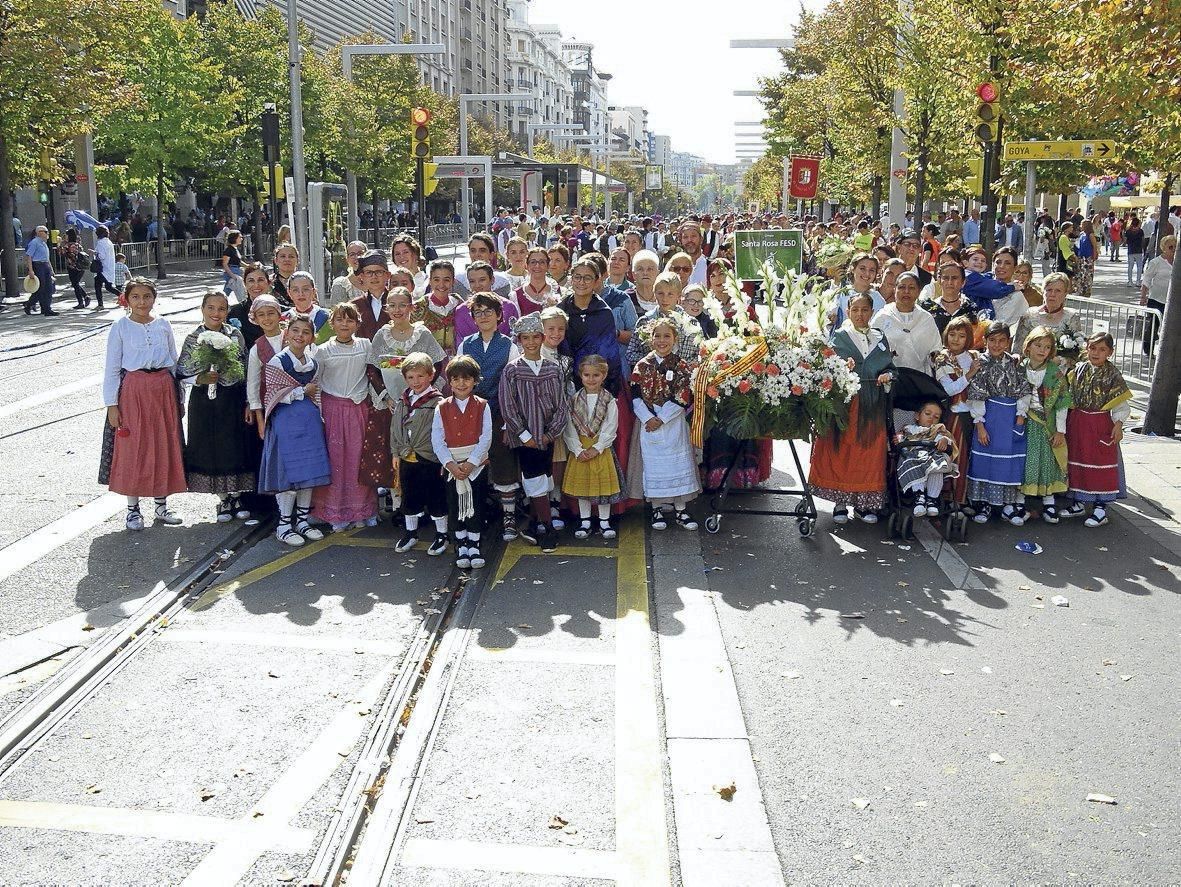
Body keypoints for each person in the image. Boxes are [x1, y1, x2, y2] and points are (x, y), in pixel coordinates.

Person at [99, 278, 186, 530]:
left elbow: (173, 362)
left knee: (162, 443)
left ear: (154, 298)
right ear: (127, 299)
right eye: (135, 297)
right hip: (134, 391)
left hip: (162, 389)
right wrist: (112, 404)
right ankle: (133, 510)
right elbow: (112, 368)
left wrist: (179, 397)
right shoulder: (120, 327)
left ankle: (161, 505)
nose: (141, 302)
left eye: (146, 296)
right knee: (133, 448)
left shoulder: (163, 324)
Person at [807, 292, 897, 525]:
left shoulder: (880, 338)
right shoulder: (839, 337)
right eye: (855, 310)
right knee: (843, 452)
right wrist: (841, 369)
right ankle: (839, 503)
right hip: (846, 406)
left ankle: (863, 504)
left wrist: (888, 375)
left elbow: (891, 368)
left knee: (868, 455)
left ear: (872, 312)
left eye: (865, 310)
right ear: (848, 312)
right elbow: (826, 370)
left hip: (873, 406)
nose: (860, 314)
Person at [179, 291, 256, 521]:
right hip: (205, 402)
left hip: (232, 398)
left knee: (233, 445)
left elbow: (244, 366)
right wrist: (199, 378)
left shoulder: (235, 335)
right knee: (211, 447)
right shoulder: (194, 337)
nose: (216, 313)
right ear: (202, 309)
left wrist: (247, 400)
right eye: (211, 308)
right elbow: (182, 370)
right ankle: (223, 499)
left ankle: (236, 494)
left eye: (222, 309)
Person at [498, 312, 571, 552]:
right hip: (525, 438)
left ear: (542, 338)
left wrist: (552, 433)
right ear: (519, 340)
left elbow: (562, 405)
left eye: (535, 337)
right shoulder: (512, 370)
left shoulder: (553, 369)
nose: (530, 342)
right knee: (534, 479)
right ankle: (547, 530)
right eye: (525, 338)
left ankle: (531, 523)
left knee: (545, 478)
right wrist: (525, 436)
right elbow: (508, 405)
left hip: (548, 435)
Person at [257, 313, 331, 546]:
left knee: (308, 473)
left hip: (309, 423)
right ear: (287, 333)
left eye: (305, 332)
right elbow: (274, 393)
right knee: (288, 474)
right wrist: (302, 391)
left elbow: (316, 390)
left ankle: (302, 520)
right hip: (286, 422)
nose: (300, 336)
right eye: (295, 330)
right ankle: (284, 524)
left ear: (312, 337)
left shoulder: (314, 362)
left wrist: (310, 395)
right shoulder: (278, 361)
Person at [457, 293, 521, 540]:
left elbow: (513, 385)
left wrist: (508, 420)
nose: (483, 316)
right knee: (472, 463)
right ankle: (475, 515)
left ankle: (509, 517)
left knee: (503, 463)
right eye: (478, 312)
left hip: (498, 412)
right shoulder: (466, 344)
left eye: (488, 311)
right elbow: (460, 379)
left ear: (499, 315)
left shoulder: (509, 345)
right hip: (471, 413)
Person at [311, 302, 379, 531]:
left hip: (358, 409)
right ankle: (334, 511)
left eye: (350, 320)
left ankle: (361, 510)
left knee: (358, 459)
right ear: (332, 323)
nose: (344, 324)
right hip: (332, 411)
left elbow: (373, 374)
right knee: (336, 460)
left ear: (357, 324)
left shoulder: (366, 345)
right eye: (340, 319)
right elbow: (316, 382)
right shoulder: (322, 351)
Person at [630, 315, 701, 530]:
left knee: (678, 465)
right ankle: (657, 509)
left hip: (673, 423)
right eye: (657, 336)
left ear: (675, 338)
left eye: (667, 336)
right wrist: (648, 417)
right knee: (654, 467)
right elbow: (634, 395)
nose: (662, 340)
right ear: (650, 339)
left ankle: (681, 510)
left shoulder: (681, 366)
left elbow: (683, 396)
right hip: (648, 422)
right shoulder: (642, 366)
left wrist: (662, 418)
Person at [965, 321, 1033, 525]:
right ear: (985, 341)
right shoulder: (980, 363)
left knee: (1009, 460)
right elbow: (976, 396)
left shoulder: (1014, 363)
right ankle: (984, 504)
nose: (996, 345)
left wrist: (1020, 418)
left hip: (1010, 418)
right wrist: (980, 425)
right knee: (986, 460)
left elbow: (1024, 390)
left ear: (1008, 342)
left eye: (1002, 340)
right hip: (989, 418)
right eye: (992, 340)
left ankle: (1007, 505)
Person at [1061, 333, 1131, 528]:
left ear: (1110, 352)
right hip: (1078, 423)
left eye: (1102, 349)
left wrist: (1118, 424)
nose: (1096, 353)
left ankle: (1101, 508)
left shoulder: (1113, 375)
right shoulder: (1077, 370)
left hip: (1100, 424)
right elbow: (1069, 397)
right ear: (1086, 348)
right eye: (1093, 348)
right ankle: (1079, 502)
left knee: (1100, 465)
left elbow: (1121, 405)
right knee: (1077, 461)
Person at [432, 355, 492, 569]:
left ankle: (475, 543)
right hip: (452, 466)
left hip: (474, 465)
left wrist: (471, 463)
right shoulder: (442, 407)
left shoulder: (483, 406)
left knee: (475, 503)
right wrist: (450, 464)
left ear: (475, 380)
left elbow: (486, 437)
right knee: (455, 504)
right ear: (449, 382)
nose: (461, 383)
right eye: (456, 379)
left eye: (466, 379)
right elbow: (437, 439)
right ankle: (461, 543)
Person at [390, 352, 449, 557]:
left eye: (421, 376)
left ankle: (442, 534)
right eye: (411, 377)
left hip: (430, 458)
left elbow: (443, 432)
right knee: (410, 496)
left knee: (435, 497)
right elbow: (395, 428)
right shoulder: (402, 400)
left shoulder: (438, 402)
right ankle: (411, 532)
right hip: (407, 457)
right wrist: (396, 452)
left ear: (431, 375)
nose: (416, 381)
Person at [562, 354, 623, 539]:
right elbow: (569, 427)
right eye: (587, 375)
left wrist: (597, 448)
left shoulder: (609, 400)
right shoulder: (573, 400)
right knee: (584, 488)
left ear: (603, 376)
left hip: (600, 449)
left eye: (596, 375)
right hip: (580, 447)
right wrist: (577, 449)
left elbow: (611, 426)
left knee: (602, 487)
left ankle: (604, 521)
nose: (591, 379)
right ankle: (585, 521)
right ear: (581, 376)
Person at [1019, 326, 1071, 523]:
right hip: (1025, 423)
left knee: (1048, 460)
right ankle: (1019, 499)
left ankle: (1049, 502)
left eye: (1047, 347)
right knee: (1026, 461)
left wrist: (1060, 430)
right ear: (1028, 346)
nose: (1042, 350)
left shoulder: (1054, 373)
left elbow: (1062, 403)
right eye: (1038, 345)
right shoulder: (1019, 367)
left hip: (1047, 424)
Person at [932, 317, 980, 506]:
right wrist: (969, 375)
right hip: (953, 414)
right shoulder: (942, 358)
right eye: (952, 334)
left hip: (973, 414)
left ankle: (963, 497)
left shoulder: (973, 356)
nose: (956, 339)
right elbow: (950, 389)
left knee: (968, 457)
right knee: (953, 455)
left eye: (962, 335)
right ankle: (947, 498)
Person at [894, 400, 959, 518]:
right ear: (918, 416)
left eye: (936, 417)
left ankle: (932, 500)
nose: (931, 418)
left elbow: (947, 438)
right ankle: (919, 497)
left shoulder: (938, 430)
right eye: (927, 414)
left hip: (932, 457)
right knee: (911, 463)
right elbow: (901, 437)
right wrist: (898, 439)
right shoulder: (909, 428)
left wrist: (944, 440)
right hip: (913, 457)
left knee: (937, 467)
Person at [872, 271, 941, 375]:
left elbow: (936, 349)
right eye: (902, 287)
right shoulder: (883, 316)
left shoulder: (926, 319)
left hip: (920, 379)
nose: (906, 291)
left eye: (912, 288)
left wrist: (936, 357)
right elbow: (871, 346)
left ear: (919, 292)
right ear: (894, 290)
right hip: (890, 379)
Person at [1013, 272, 1084, 364]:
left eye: (1058, 291)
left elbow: (1077, 352)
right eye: (1049, 290)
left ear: (1065, 293)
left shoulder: (1072, 317)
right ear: (1043, 291)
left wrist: (1060, 361)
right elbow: (1018, 348)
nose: (1052, 294)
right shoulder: (1029, 314)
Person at [246, 295, 289, 441]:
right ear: (256, 319)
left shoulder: (293, 337)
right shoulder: (256, 349)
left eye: (271, 313)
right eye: (261, 315)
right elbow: (253, 384)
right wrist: (260, 420)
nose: (267, 318)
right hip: (272, 407)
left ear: (279, 314)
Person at [414, 260, 462, 355]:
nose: (441, 285)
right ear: (430, 281)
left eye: (446, 280)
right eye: (436, 280)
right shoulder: (418, 307)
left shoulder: (458, 303)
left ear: (453, 281)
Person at [829, 253, 885, 332]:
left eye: (872, 270)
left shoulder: (878, 299)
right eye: (862, 268)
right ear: (853, 269)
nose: (867, 273)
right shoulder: (841, 292)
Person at [1140, 234, 1175, 354]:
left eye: (1176, 247)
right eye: (1171, 247)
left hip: (1172, 301)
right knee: (1153, 326)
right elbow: (1147, 279)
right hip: (1156, 299)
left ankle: (1167, 351)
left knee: (1170, 328)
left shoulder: (1177, 263)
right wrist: (1143, 296)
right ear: (1164, 247)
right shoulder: (1156, 262)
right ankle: (1148, 349)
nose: (1174, 249)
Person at [285, 272, 332, 344]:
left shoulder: (329, 317)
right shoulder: (284, 319)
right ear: (289, 293)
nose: (301, 294)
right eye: (295, 290)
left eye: (306, 289)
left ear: (314, 291)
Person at [514, 247, 562, 316]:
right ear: (526, 265)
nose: (537, 266)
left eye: (542, 262)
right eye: (533, 262)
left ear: (548, 265)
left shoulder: (558, 291)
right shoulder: (516, 295)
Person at [23, 225, 57, 316]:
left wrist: (51, 269)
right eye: (45, 232)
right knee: (40, 288)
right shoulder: (34, 242)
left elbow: (47, 258)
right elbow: (29, 256)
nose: (47, 234)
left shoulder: (44, 243)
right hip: (37, 265)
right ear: (39, 232)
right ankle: (29, 304)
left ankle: (46, 308)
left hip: (45, 265)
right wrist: (31, 270)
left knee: (48, 288)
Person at [270, 242, 300, 306]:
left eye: (291, 256)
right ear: (276, 261)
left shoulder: (305, 281)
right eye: (283, 256)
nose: (287, 259)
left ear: (297, 261)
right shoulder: (269, 282)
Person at [1075, 220, 1099, 298]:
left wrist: (1094, 255)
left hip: (1088, 257)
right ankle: (1080, 290)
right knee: (1081, 274)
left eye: (1082, 224)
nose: (1080, 226)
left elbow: (1094, 246)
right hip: (1081, 257)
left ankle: (1087, 291)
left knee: (1087, 275)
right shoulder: (1082, 234)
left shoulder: (1091, 235)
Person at [220, 229, 246, 301]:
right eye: (240, 237)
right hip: (232, 271)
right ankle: (243, 302)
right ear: (235, 238)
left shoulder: (235, 249)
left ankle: (221, 300)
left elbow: (239, 261)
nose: (241, 239)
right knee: (240, 289)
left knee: (227, 290)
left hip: (236, 271)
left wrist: (249, 266)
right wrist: (232, 275)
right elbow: (225, 264)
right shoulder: (228, 250)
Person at [1125, 217, 1146, 287]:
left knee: (1130, 266)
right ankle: (1138, 281)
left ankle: (1130, 281)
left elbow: (1125, 240)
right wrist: (1143, 247)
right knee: (1139, 266)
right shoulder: (1140, 231)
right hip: (1138, 250)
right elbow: (1143, 240)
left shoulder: (1128, 231)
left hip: (1131, 250)